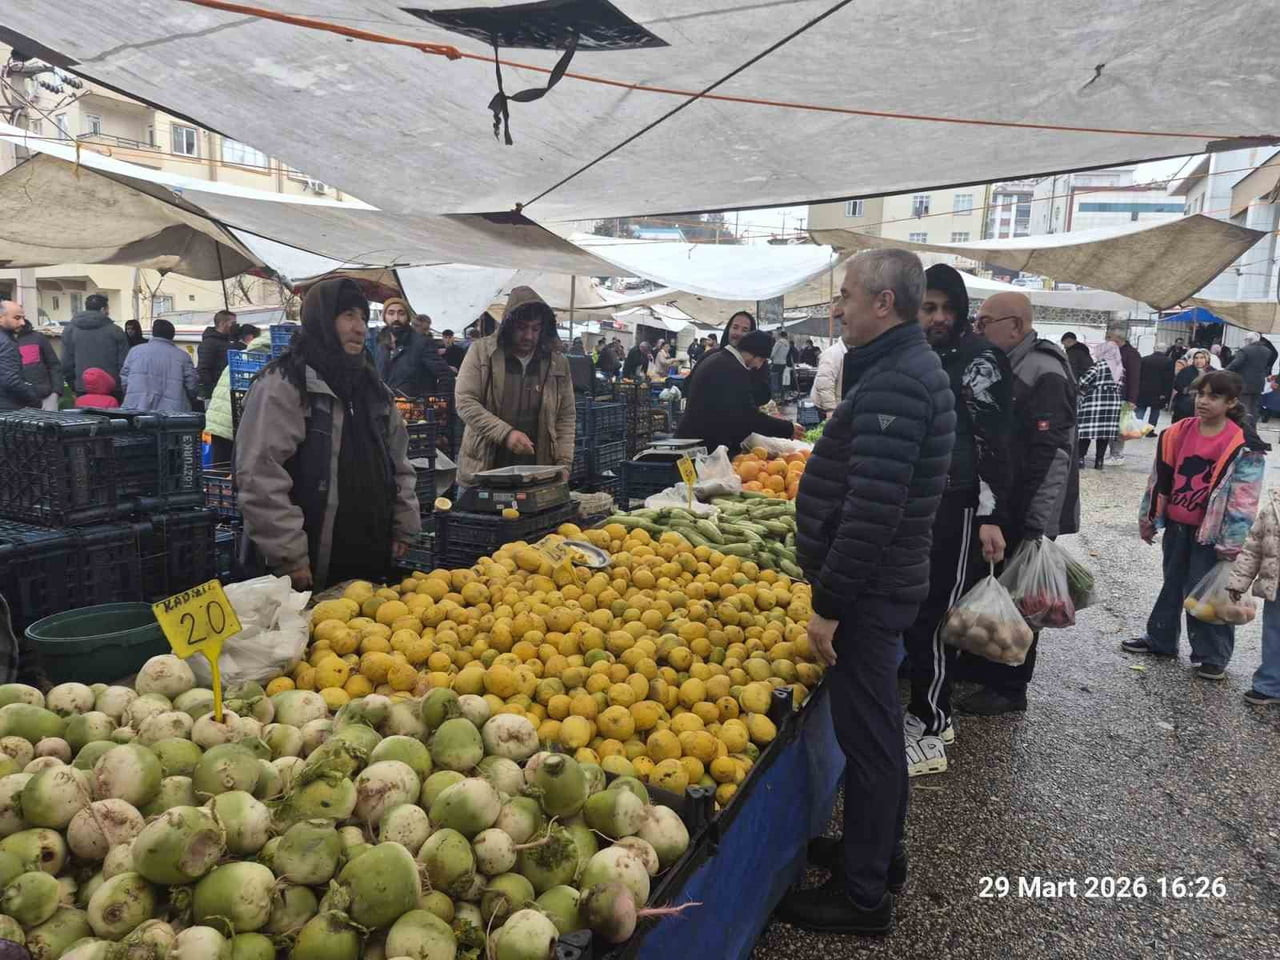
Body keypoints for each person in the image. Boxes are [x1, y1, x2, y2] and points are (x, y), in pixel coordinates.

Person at [778, 249, 954, 935]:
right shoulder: (901, 368)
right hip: (884, 584)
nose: (838, 307)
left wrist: (829, 605)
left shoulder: (898, 382)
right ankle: (878, 853)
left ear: (884, 303)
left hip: (870, 592)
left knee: (872, 739)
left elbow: (872, 512)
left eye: (847, 295)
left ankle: (862, 897)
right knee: (876, 730)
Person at [235, 278, 419, 591]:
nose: (359, 328)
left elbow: (399, 463)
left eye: (362, 317)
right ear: (321, 318)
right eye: (348, 316)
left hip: (369, 553)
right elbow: (259, 475)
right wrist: (289, 554)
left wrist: (405, 523)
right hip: (311, 561)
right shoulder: (285, 384)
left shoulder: (373, 389)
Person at [901, 264, 1012, 778]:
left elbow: (995, 443)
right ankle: (929, 713)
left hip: (958, 503)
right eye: (929, 307)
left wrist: (991, 515)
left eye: (948, 308)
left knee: (935, 615)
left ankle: (931, 727)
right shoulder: (919, 356)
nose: (939, 317)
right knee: (918, 612)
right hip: (920, 501)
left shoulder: (979, 359)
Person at [963, 291, 1079, 715]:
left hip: (1026, 507)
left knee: (1021, 596)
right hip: (1001, 502)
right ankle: (981, 666)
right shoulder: (1002, 364)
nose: (977, 329)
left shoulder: (1044, 371)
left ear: (1015, 326)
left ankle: (1010, 686)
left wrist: (1035, 524)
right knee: (992, 584)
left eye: (984, 322)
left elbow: (1054, 452)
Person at [1125, 370, 1265, 680]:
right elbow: (1158, 479)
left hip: (1213, 534)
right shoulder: (1178, 432)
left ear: (1231, 402)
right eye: (1200, 394)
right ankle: (1160, 639)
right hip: (1178, 525)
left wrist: (1232, 542)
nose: (1203, 401)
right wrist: (1149, 518)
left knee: (1207, 594)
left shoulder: (1243, 443)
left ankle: (1212, 655)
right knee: (1172, 583)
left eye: (1214, 396)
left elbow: (1245, 499)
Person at [454, 286, 575, 487]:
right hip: (483, 470)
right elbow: (465, 402)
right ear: (508, 325)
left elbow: (566, 416)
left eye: (535, 329)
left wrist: (564, 463)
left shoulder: (557, 363)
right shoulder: (482, 352)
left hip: (537, 473)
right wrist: (505, 434)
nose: (528, 336)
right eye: (521, 328)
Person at [676, 330, 803, 455]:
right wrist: (787, 429)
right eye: (761, 360)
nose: (759, 367)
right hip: (699, 445)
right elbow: (748, 416)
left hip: (693, 440)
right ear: (754, 354)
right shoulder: (733, 369)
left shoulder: (720, 359)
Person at [1226, 483, 1280, 705]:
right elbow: (1253, 547)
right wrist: (1239, 582)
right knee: (1274, 635)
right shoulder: (1274, 506)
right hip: (1277, 586)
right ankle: (1270, 684)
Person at [374, 297, 453, 398]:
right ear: (384, 317)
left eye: (401, 313)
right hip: (386, 405)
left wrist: (437, 402)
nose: (396, 318)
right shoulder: (380, 344)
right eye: (391, 313)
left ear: (408, 317)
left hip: (415, 406)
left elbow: (446, 375)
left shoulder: (421, 343)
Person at [206, 324, 264, 464]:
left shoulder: (239, 357)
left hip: (217, 421)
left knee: (219, 467)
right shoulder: (265, 363)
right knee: (235, 468)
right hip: (233, 425)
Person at [119, 318, 198, 412]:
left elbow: (124, 380)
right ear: (172, 335)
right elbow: (192, 386)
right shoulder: (183, 357)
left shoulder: (135, 352)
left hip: (137, 407)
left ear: (153, 333)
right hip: (172, 412)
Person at [62, 293, 128, 397]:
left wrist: (73, 384)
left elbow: (66, 362)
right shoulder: (116, 331)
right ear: (103, 309)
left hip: (83, 386)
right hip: (112, 389)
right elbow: (124, 363)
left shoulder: (70, 330)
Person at [1075, 341, 1124, 470]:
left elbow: (1082, 381)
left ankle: (1080, 458)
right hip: (1113, 402)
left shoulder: (1098, 366)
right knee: (1104, 433)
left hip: (1095, 400)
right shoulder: (1120, 368)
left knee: (1086, 430)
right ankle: (1099, 461)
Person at [1103, 326, 1141, 465]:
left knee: (1119, 427)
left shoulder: (1131, 354)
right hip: (1110, 394)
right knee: (1110, 426)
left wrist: (1132, 399)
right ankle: (1113, 453)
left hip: (1122, 396)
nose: (1107, 340)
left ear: (1118, 339)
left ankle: (1117, 455)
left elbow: (1134, 377)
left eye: (1109, 337)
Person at [12, 305, 61, 410]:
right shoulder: (4, 341)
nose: (20, 321)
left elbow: (54, 365)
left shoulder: (37, 338)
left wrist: (55, 393)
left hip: (45, 399)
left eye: (21, 317)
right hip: (15, 403)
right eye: (16, 317)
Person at [721, 310, 771, 406]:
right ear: (728, 329)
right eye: (735, 327)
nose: (738, 333)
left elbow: (763, 396)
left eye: (744, 330)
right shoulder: (713, 357)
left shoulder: (758, 362)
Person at [1226, 333, 1278, 425]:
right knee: (1254, 408)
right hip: (1259, 383)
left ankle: (1245, 427)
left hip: (1245, 382)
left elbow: (1236, 364)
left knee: (1244, 406)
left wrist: (1225, 371)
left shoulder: (1245, 350)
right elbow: (1267, 365)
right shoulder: (1267, 351)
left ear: (1248, 340)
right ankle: (1252, 427)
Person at [0, 300, 40, 411]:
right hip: (7, 408)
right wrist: (34, 400)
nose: (23, 323)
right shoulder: (6, 343)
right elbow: (11, 381)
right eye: (17, 318)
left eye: (23, 318)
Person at [197, 309, 238, 400]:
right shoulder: (209, 343)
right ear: (222, 324)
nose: (235, 326)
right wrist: (213, 389)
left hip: (227, 390)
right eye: (233, 323)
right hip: (216, 393)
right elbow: (203, 369)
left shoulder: (229, 341)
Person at [1136, 346, 1177, 429]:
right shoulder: (1168, 361)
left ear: (1154, 349)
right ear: (1165, 350)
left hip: (1143, 390)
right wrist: (1165, 394)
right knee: (1155, 411)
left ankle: (1136, 428)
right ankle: (1150, 430)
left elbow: (1138, 375)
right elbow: (1169, 379)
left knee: (1140, 409)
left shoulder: (1144, 359)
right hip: (1158, 392)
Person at [1172, 350, 1210, 421]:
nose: (1199, 360)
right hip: (1186, 406)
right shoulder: (1186, 371)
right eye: (1196, 358)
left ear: (1207, 359)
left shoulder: (1212, 372)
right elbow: (1178, 385)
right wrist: (1189, 390)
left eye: (1202, 358)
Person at [769, 331, 791, 399]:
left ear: (780, 335)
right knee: (780, 380)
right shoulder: (787, 344)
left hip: (776, 363)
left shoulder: (779, 342)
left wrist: (770, 358)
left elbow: (772, 353)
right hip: (783, 363)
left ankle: (774, 396)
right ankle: (781, 395)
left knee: (774, 380)